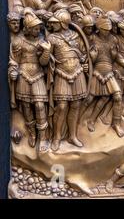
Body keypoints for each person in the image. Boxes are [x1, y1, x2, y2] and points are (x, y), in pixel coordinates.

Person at [85, 16, 124, 137]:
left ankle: (116, 124)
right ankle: (78, 122)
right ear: (99, 28)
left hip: (108, 71)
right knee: (89, 99)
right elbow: (86, 56)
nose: (107, 31)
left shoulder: (113, 39)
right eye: (105, 29)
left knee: (117, 96)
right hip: (96, 71)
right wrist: (91, 58)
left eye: (109, 29)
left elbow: (117, 57)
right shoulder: (92, 38)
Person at [46, 10, 88, 151]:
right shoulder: (51, 38)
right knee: (62, 106)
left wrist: (88, 60)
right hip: (61, 73)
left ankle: (72, 136)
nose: (52, 25)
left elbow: (84, 55)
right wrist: (46, 53)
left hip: (78, 73)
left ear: (63, 24)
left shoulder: (76, 36)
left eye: (55, 23)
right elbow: (44, 61)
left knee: (76, 105)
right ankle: (56, 137)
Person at [10, 10, 51, 152]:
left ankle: (44, 137)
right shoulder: (18, 42)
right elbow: (14, 61)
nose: (38, 29)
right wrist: (13, 70)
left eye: (38, 27)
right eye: (34, 28)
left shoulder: (42, 41)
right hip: (23, 74)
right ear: (27, 28)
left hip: (38, 74)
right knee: (26, 106)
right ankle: (32, 133)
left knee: (40, 106)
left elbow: (44, 63)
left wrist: (46, 52)